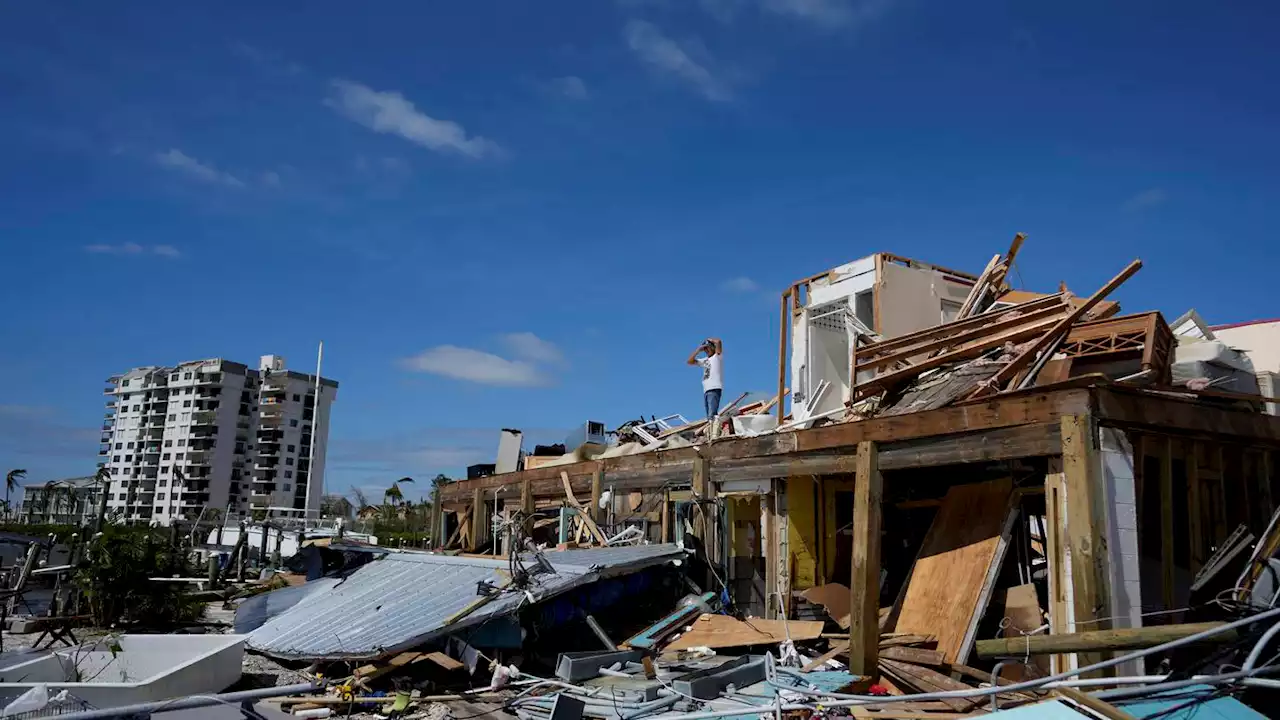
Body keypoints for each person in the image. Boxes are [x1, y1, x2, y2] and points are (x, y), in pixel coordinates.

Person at [687, 337, 724, 421]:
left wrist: (708, 340)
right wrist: (698, 350)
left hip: (714, 388)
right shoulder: (705, 360)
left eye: (708, 348)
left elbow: (718, 341)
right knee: (709, 416)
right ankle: (712, 429)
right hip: (706, 390)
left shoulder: (717, 357)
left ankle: (714, 431)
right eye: (705, 349)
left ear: (713, 347)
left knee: (712, 415)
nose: (706, 350)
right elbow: (689, 362)